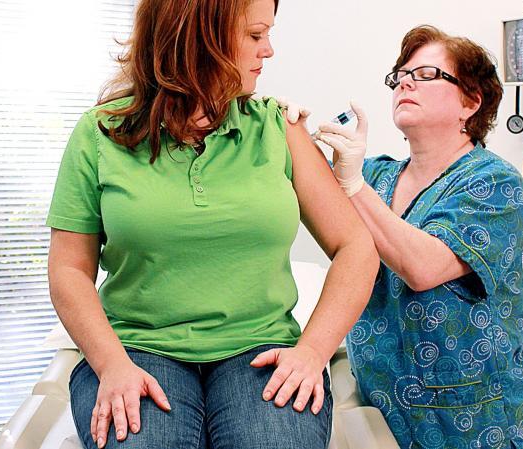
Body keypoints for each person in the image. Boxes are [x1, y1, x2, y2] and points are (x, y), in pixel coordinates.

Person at [45, 0, 379, 448]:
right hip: (135, 348)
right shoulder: (100, 134)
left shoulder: (278, 128)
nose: (269, 51)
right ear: (200, 37)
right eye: (256, 35)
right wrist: (110, 364)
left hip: (259, 348)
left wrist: (313, 352)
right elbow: (69, 269)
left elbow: (356, 247)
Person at [316, 25, 523, 449]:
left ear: (470, 101)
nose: (405, 81)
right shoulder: (377, 177)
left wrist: (350, 186)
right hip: (386, 419)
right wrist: (281, 127)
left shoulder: (494, 183)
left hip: (481, 425)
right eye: (400, 75)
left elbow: (422, 267)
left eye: (426, 74)